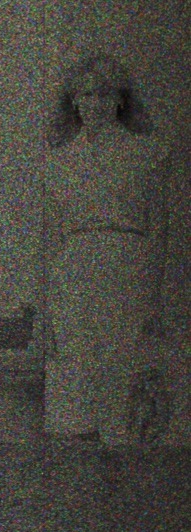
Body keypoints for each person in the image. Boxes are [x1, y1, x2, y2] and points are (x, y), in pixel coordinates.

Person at [41, 53, 171, 448]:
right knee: (76, 366)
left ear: (119, 100)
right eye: (85, 95)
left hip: (126, 261)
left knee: (121, 368)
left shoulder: (146, 153)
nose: (94, 104)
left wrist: (152, 292)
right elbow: (52, 236)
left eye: (103, 94)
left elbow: (158, 227)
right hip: (76, 266)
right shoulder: (60, 160)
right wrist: (48, 300)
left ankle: (120, 459)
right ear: (74, 101)